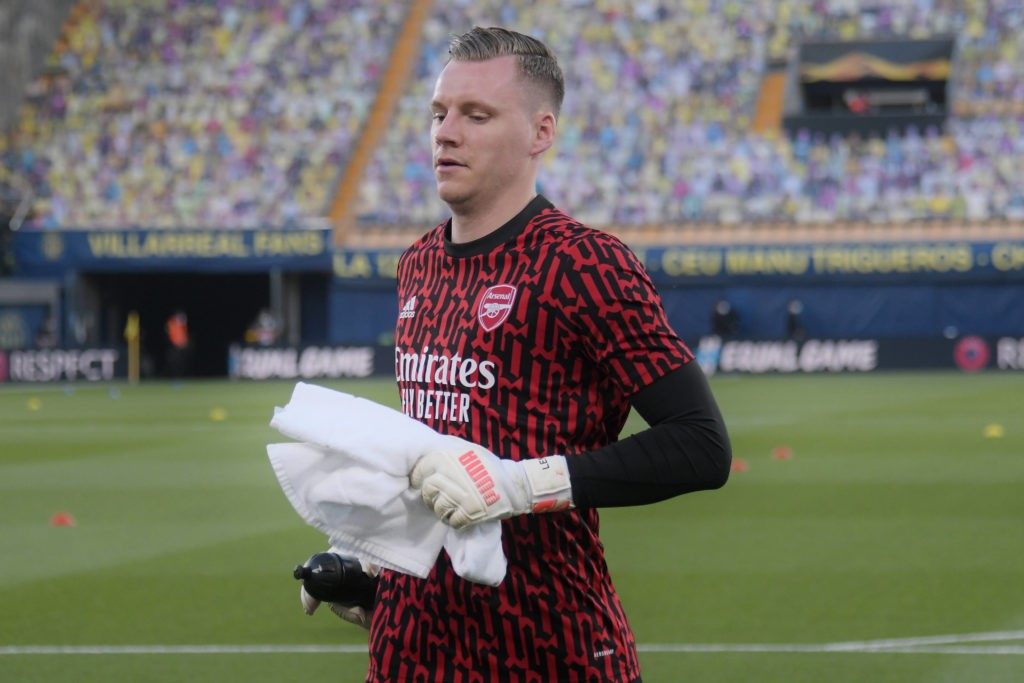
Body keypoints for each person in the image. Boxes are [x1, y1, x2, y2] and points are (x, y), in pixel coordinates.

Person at [317, 27, 732, 682]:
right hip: (410, 650)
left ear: (540, 133)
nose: (446, 133)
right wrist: (371, 568)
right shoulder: (418, 263)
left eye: (475, 115)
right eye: (439, 113)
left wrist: (519, 483)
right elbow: (438, 459)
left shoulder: (585, 264)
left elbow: (702, 445)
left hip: (549, 647)